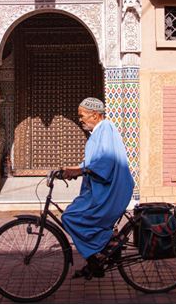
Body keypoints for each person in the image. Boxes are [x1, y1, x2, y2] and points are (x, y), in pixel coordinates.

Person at [61, 97, 134, 278]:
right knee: (80, 215)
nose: (80, 119)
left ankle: (100, 250)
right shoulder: (99, 132)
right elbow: (94, 161)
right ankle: (97, 258)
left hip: (110, 190)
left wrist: (80, 170)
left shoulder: (106, 128)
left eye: (82, 115)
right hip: (100, 188)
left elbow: (105, 162)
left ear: (95, 115)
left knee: (71, 217)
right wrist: (75, 170)